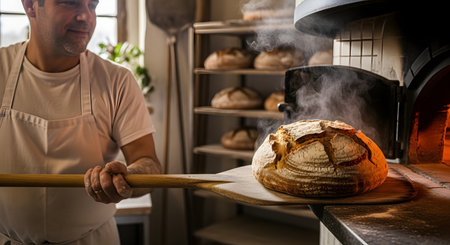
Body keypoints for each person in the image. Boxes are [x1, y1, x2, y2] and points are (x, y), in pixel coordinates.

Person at [0, 0, 161, 244]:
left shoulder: (117, 82)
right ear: (31, 5)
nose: (86, 16)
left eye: (92, 5)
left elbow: (148, 164)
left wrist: (127, 177)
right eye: (72, 3)